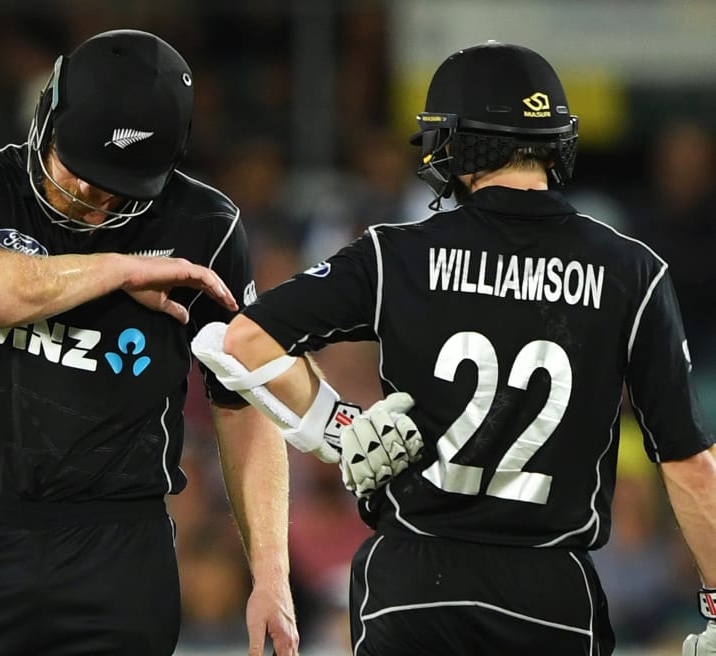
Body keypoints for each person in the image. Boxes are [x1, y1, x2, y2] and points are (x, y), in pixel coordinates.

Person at [194, 41, 716, 655]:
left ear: (462, 143)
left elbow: (240, 341)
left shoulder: (395, 254)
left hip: (414, 582)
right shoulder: (634, 272)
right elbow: (690, 466)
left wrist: (339, 427)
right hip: (552, 593)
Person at [0, 29, 298, 656]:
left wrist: (271, 575)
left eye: (116, 188)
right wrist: (120, 269)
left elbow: (244, 407)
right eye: (78, 171)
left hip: (119, 553)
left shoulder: (207, 228)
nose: (89, 197)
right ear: (47, 117)